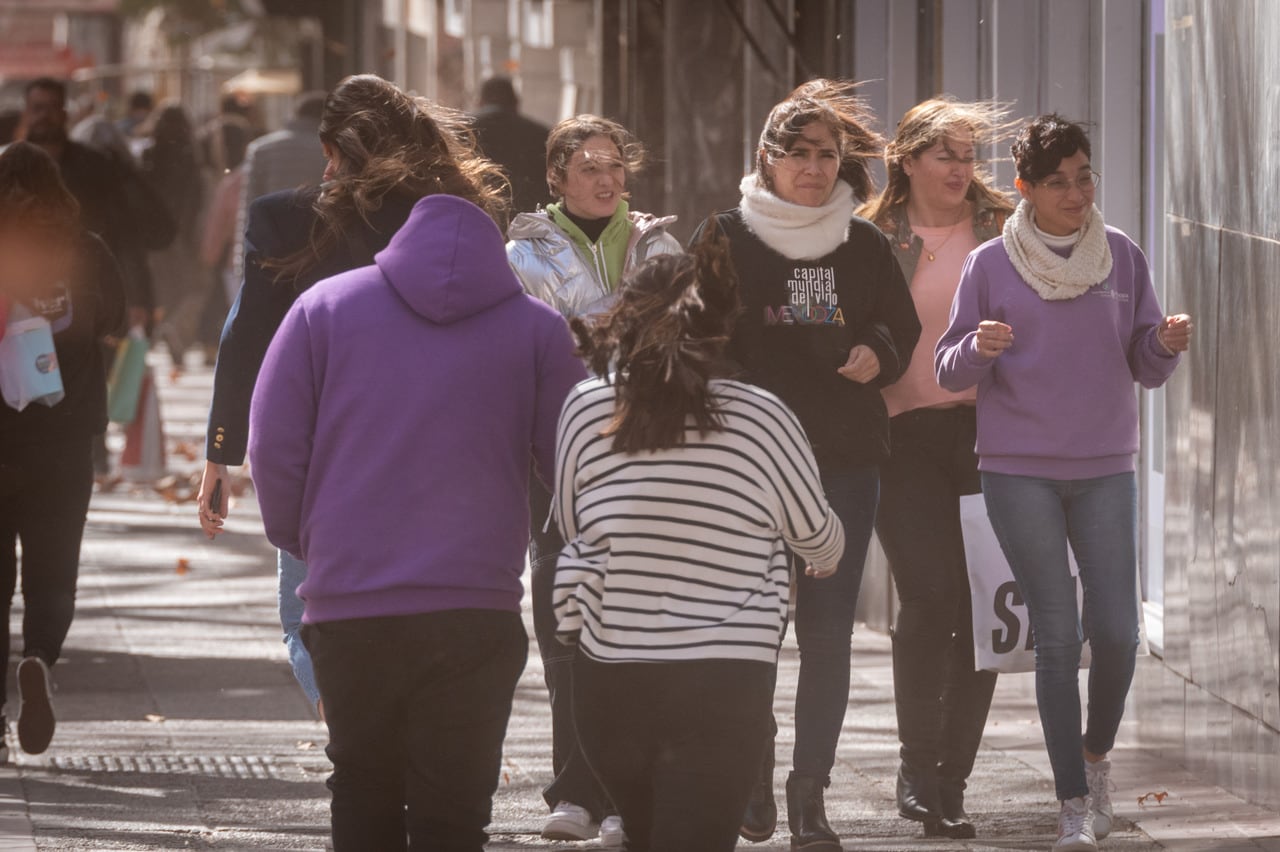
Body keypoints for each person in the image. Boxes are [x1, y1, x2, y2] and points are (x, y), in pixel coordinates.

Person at [248, 191, 584, 850]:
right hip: (474, 607)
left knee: (362, 788)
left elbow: (273, 445)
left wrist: (305, 539)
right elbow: (574, 463)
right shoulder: (539, 329)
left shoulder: (323, 308)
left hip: (350, 605)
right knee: (454, 812)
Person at [196, 74, 508, 719]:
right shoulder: (459, 215)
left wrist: (220, 453)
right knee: (424, 596)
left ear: (330, 148)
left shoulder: (285, 218)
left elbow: (247, 335)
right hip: (444, 440)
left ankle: (351, 722)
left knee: (307, 611)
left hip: (325, 445)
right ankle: (395, 722)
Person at [935, 114, 1192, 852]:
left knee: (1118, 635)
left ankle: (1096, 754)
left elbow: (1144, 364)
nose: (1076, 191)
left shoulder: (1120, 256)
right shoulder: (989, 264)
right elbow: (949, 368)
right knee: (1058, 635)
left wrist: (1163, 344)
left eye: (1084, 176)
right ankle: (1072, 804)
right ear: (1026, 190)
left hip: (1107, 465)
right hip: (1018, 471)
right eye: (1059, 181)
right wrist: (979, 348)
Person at [691, 78, 921, 851]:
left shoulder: (864, 244)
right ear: (768, 158)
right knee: (751, 629)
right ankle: (751, 777)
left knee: (827, 636)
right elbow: (696, 339)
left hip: (843, 461)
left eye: (828, 155)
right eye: (799, 154)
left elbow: (902, 325)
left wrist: (878, 352)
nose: (815, 168)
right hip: (748, 468)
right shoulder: (724, 236)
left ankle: (808, 798)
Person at [506, 112, 682, 847]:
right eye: (588, 167)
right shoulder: (520, 250)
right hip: (556, 457)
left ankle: (620, 797)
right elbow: (536, 346)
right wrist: (620, 324)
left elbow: (677, 334)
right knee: (561, 620)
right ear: (555, 177)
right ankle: (573, 789)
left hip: (646, 451)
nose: (606, 178)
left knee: (635, 624)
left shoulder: (658, 241)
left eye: (614, 164)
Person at [858, 97, 1016, 839]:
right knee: (930, 598)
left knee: (983, 606)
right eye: (945, 154)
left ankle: (953, 779)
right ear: (909, 160)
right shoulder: (870, 235)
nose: (960, 169)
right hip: (904, 435)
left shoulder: (1005, 228)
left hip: (993, 437)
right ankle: (918, 770)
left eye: (967, 155)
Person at [0, 142, 125, 760]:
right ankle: (39, 657)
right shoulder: (86, 251)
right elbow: (117, 322)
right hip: (64, 439)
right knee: (54, 574)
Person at [139, 102, 205, 368]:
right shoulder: (191, 155)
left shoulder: (148, 153)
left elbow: (142, 194)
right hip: (183, 231)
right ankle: (175, 332)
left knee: (158, 286)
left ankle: (160, 331)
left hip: (154, 232)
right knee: (186, 287)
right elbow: (196, 196)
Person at [470, 76, 551, 217]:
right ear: (516, 103)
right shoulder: (542, 134)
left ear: (479, 102)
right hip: (528, 220)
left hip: (477, 216)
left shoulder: (462, 132)